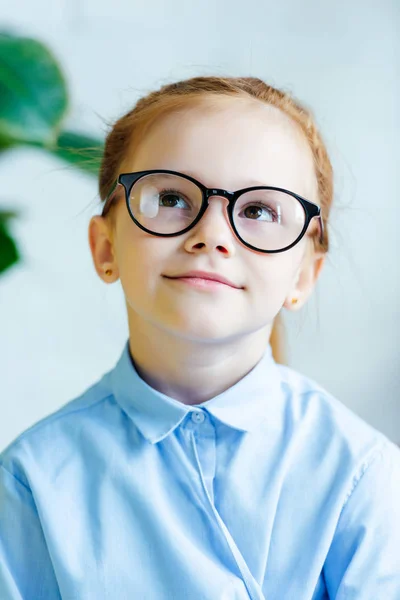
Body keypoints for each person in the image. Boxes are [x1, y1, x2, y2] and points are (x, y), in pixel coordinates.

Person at [0, 76, 399, 600]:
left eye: (259, 211)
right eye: (171, 196)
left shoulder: (359, 474)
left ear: (303, 275)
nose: (212, 233)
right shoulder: (31, 480)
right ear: (105, 248)